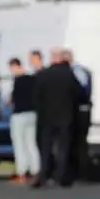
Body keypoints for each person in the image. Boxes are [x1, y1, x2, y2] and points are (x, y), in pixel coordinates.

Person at [32, 48, 83, 188]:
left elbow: (36, 96)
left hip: (46, 117)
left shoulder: (43, 74)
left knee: (45, 148)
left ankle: (43, 175)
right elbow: (79, 93)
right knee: (63, 148)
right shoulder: (68, 75)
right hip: (66, 116)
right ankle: (61, 176)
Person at [7, 58, 40, 184]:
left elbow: (13, 99)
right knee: (31, 144)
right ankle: (36, 170)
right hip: (32, 114)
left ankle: (22, 172)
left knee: (19, 144)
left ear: (15, 66)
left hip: (19, 115)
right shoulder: (32, 79)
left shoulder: (18, 80)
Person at [62, 49, 92, 182]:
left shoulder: (76, 71)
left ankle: (82, 173)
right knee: (75, 142)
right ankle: (78, 172)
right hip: (77, 110)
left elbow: (82, 91)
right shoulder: (77, 71)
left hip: (80, 111)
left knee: (79, 142)